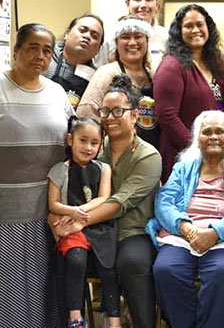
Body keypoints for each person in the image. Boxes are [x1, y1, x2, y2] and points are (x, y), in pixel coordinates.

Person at [52, 74, 162, 328]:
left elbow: (120, 201)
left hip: (131, 231)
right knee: (67, 255)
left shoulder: (149, 156)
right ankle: (72, 320)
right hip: (97, 231)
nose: (109, 117)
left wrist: (79, 221)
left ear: (135, 115)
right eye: (105, 111)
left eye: (117, 111)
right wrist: (57, 217)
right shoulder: (95, 151)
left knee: (130, 261)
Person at [146, 110, 224, 328]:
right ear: (197, 139)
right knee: (166, 270)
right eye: (207, 132)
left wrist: (215, 232)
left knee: (222, 272)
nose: (214, 136)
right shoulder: (183, 167)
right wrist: (185, 228)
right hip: (182, 237)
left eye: (220, 131)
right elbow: (164, 202)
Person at [0, 23, 73, 327]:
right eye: (32, 47)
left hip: (50, 212)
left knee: (47, 289)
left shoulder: (57, 93)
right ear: (15, 50)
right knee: (12, 290)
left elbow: (73, 141)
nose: (40, 56)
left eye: (47, 50)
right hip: (7, 213)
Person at [47, 117, 120, 328]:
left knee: (108, 267)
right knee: (76, 260)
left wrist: (81, 212)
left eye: (94, 143)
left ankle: (114, 320)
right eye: (83, 140)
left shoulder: (103, 168)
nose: (88, 147)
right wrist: (70, 211)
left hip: (98, 226)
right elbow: (53, 204)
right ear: (70, 140)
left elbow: (103, 198)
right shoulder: (58, 170)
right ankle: (75, 318)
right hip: (71, 229)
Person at [154, 4, 224, 182]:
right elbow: (167, 116)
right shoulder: (172, 65)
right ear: (179, 31)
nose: (195, 30)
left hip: (214, 155)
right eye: (188, 26)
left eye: (200, 25)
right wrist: (198, 148)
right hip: (184, 155)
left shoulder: (214, 63)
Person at [78, 15, 159, 147]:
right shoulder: (107, 73)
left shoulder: (155, 74)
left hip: (150, 153)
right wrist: (105, 145)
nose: (132, 43)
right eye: (125, 37)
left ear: (147, 40)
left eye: (138, 36)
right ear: (116, 42)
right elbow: (86, 112)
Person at [95, 0, 167, 68]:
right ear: (128, 4)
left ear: (157, 5)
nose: (143, 5)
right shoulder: (111, 35)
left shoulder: (167, 37)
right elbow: (99, 69)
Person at [43, 13, 105, 109]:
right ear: (67, 34)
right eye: (82, 30)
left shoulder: (96, 79)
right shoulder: (43, 56)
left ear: (98, 49)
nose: (87, 36)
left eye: (94, 36)